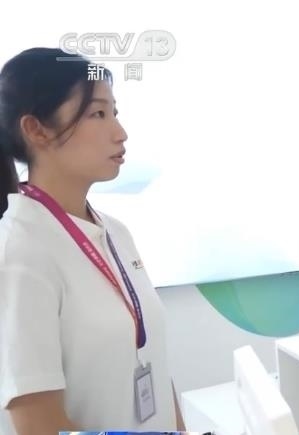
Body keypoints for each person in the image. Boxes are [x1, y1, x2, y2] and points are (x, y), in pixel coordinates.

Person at [0, 48, 184, 434]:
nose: (120, 132)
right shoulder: (20, 252)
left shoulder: (115, 231)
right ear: (36, 129)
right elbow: (39, 427)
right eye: (98, 114)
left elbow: (154, 364)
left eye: (114, 112)